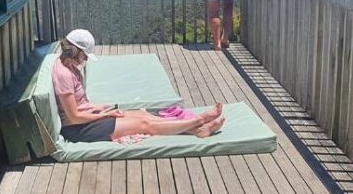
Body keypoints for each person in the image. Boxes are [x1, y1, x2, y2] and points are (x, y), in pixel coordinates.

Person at [52, 29, 225, 142]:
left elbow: (80, 104)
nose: (86, 59)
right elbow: (74, 117)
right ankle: (198, 122)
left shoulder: (70, 67)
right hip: (79, 129)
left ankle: (196, 129)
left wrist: (99, 109)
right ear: (75, 51)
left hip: (87, 118)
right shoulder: (64, 74)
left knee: (141, 114)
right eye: (85, 55)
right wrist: (104, 114)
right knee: (144, 124)